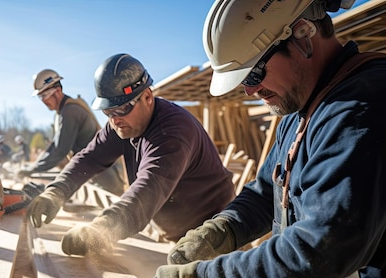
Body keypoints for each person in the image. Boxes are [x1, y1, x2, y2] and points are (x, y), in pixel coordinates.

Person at [143, 1, 386, 278]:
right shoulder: (301, 108)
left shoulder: (360, 109)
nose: (249, 91)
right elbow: (267, 191)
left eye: (253, 74)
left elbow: (316, 253)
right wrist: (222, 229)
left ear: (303, 36)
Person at [29, 53, 236, 256]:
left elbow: (146, 191)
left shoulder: (172, 133)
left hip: (214, 235)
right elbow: (89, 158)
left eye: (121, 109)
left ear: (147, 97)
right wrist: (56, 191)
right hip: (179, 233)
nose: (114, 119)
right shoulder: (121, 123)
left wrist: (99, 231)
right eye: (107, 112)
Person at [18, 69, 125, 195]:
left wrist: (33, 169)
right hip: (91, 172)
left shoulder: (70, 111)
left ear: (57, 91)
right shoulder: (60, 114)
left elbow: (60, 150)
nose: (43, 101)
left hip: (104, 176)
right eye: (40, 97)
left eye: (44, 95)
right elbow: (54, 146)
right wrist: (33, 166)